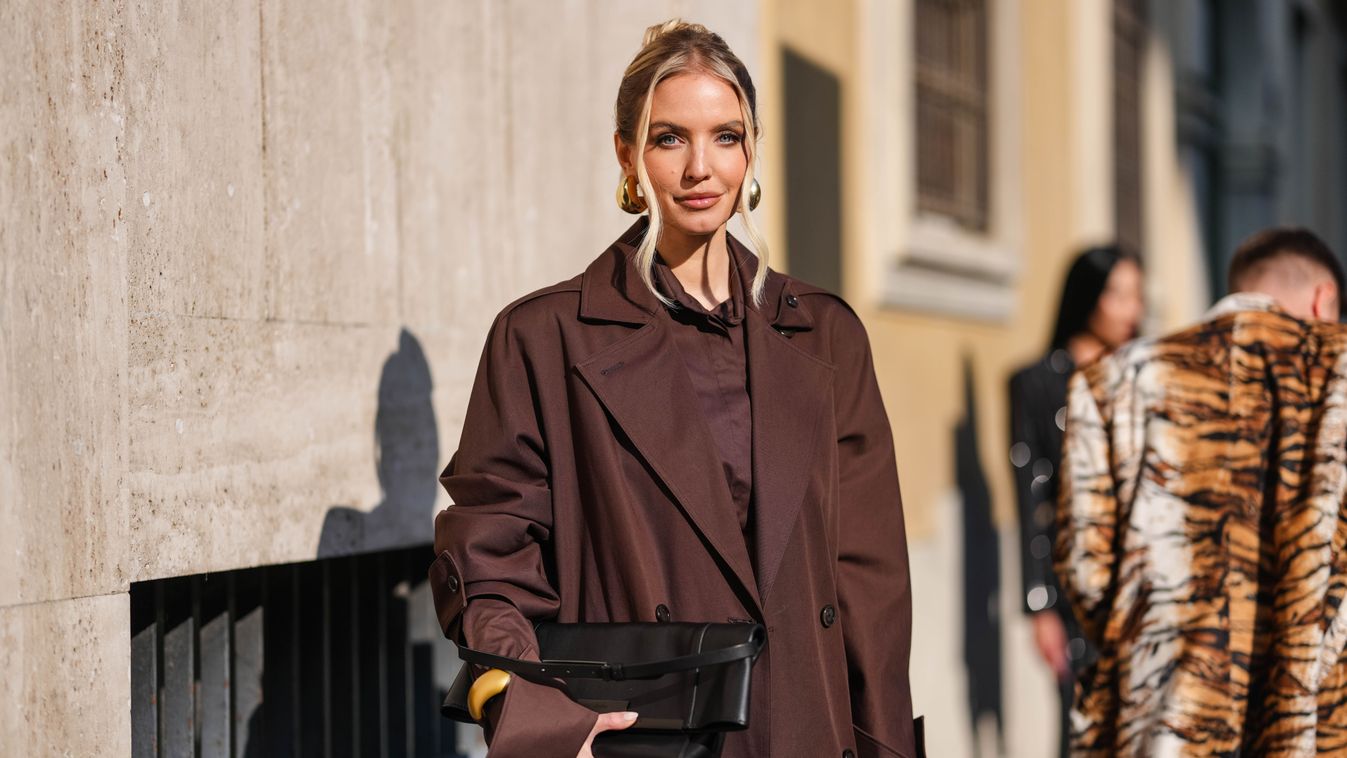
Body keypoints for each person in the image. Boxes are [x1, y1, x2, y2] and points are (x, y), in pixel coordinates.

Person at [429, 20, 920, 758]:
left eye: (725, 136)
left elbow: (870, 587)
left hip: (804, 729)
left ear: (751, 150)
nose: (700, 167)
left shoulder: (825, 335)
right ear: (626, 153)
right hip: (644, 735)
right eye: (668, 138)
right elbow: (489, 554)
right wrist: (537, 717)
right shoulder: (544, 337)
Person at [1056, 227, 1347, 756]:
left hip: (1167, 723)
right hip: (1319, 728)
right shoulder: (1339, 371)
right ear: (1323, 299)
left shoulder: (1113, 381)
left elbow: (1087, 574)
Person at [1007, 246, 1143, 757]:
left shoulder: (1145, 377)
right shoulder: (1037, 384)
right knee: (1082, 730)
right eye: (1119, 294)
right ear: (1088, 297)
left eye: (1137, 295)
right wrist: (1038, 606)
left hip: (1146, 586)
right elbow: (1031, 497)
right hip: (1075, 593)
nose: (1132, 309)